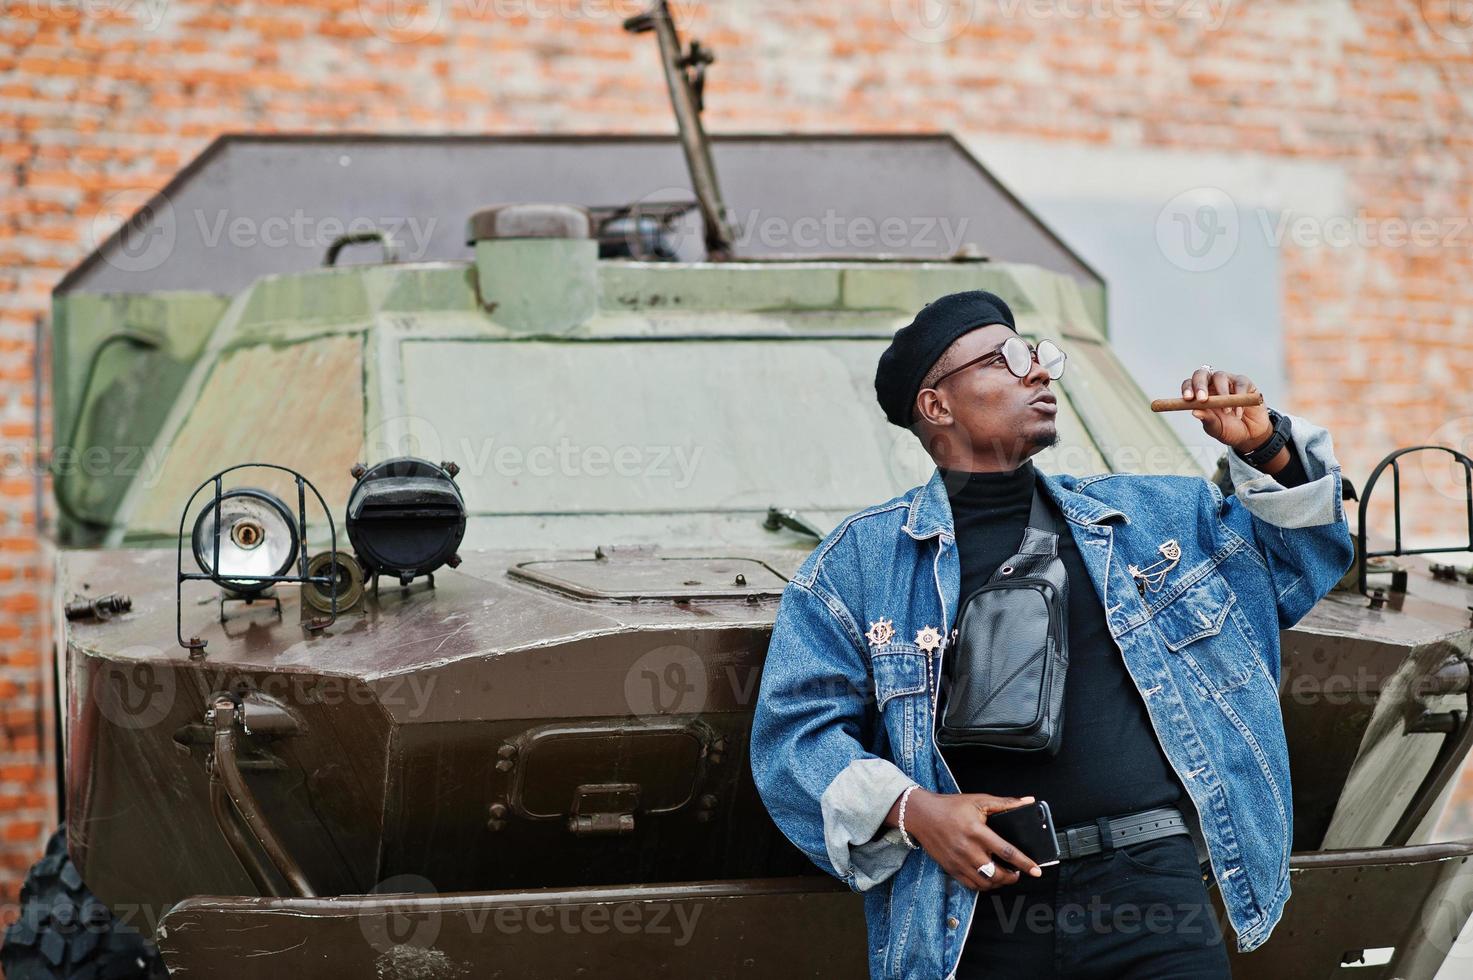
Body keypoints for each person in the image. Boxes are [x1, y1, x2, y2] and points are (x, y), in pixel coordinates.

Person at [750, 290, 1354, 979]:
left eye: (1037, 355)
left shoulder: (1152, 518)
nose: (1037, 372)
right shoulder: (857, 566)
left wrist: (1269, 449)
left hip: (1153, 896)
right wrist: (914, 810)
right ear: (936, 406)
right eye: (1005, 359)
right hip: (977, 911)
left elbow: (1294, 569)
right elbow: (795, 737)